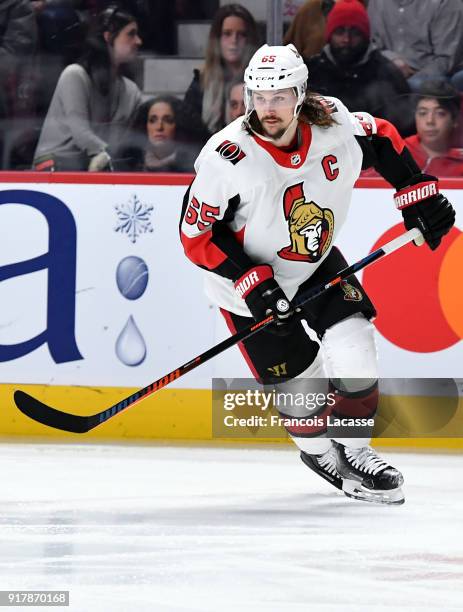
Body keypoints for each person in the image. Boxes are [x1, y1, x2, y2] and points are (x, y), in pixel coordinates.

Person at [180, 44, 455, 505]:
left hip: (313, 260)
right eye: (259, 97)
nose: (267, 109)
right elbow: (196, 235)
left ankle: (356, 450)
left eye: (280, 96)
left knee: (356, 343)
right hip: (247, 287)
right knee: (305, 403)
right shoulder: (226, 158)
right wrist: (254, 282)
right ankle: (320, 452)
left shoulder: (333, 123)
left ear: (301, 93)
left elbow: (382, 136)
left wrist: (417, 193)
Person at [33, 5, 142, 171]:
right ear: (108, 37)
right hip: (54, 170)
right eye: (131, 34)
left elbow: (124, 143)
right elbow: (80, 133)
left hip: (100, 169)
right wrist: (111, 157)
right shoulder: (75, 75)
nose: (138, 41)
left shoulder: (131, 91)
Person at [306, 0, 412, 135]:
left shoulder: (386, 73)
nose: (346, 39)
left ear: (365, 37)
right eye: (339, 32)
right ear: (329, 35)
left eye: (354, 33)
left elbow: (401, 130)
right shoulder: (312, 72)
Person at [179, 3, 259, 144]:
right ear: (217, 39)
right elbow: (188, 132)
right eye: (227, 34)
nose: (234, 41)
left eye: (241, 35)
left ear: (250, 39)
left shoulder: (262, 82)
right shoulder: (201, 82)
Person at [368, 0, 463, 91]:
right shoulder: (376, 2)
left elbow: (446, 59)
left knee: (413, 86)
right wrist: (391, 59)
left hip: (430, 75)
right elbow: (370, 43)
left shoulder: (445, 2)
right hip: (386, 69)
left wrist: (405, 81)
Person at [116, 95, 198, 172]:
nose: (159, 127)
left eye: (168, 120)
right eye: (152, 120)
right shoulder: (130, 164)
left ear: (178, 126)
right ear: (145, 126)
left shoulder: (193, 165)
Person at [404, 81, 463, 177]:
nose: (430, 121)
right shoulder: (397, 153)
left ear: (455, 120)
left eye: (440, 113)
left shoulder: (460, 162)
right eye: (423, 113)